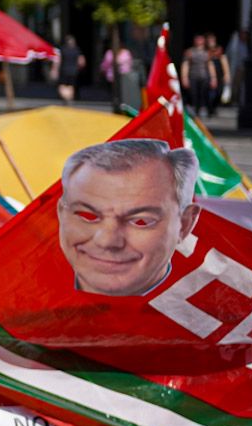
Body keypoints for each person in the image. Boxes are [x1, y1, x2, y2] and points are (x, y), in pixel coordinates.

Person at [56, 138, 198, 298]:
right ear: (61, 213)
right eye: (88, 216)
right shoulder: (27, 304)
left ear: (185, 224)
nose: (107, 241)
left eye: (140, 221)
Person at [181, 35, 214, 119]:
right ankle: (194, 110)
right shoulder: (190, 52)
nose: (199, 41)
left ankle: (203, 109)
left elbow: (210, 65)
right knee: (193, 93)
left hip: (204, 75)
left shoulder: (207, 52)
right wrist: (184, 77)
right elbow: (186, 65)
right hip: (193, 75)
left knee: (204, 93)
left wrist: (213, 77)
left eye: (201, 39)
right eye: (197, 39)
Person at [54, 34, 84, 105]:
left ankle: (65, 97)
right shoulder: (77, 50)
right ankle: (69, 98)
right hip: (73, 71)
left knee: (62, 85)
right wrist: (79, 68)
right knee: (71, 86)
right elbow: (81, 61)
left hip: (64, 70)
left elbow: (58, 60)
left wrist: (55, 70)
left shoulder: (62, 49)